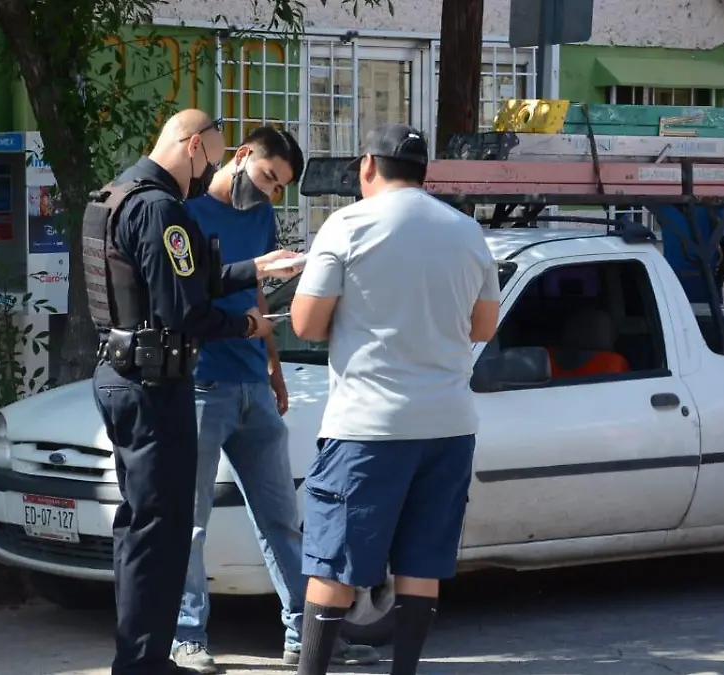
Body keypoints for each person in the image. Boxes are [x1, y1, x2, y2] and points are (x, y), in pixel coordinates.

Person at [82, 108, 305, 675]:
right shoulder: (164, 210)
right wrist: (244, 327)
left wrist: (253, 268)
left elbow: (183, 281)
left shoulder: (113, 196)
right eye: (213, 150)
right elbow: (186, 309)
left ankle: (144, 657)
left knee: (145, 525)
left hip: (123, 373)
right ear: (197, 146)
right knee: (164, 529)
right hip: (157, 384)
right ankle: (147, 660)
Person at [287, 123, 501, 675]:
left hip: (368, 426)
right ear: (423, 173)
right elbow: (483, 327)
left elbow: (306, 324)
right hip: (449, 425)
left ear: (367, 167)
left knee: (332, 563)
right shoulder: (466, 231)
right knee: (420, 560)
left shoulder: (347, 225)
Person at [170, 126, 380, 673]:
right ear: (241, 157)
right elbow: (185, 296)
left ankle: (304, 637)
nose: (268, 192)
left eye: (279, 186)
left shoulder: (258, 216)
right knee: (190, 522)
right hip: (199, 386)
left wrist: (274, 370)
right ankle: (186, 635)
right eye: (266, 177)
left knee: (282, 518)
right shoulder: (184, 212)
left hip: (251, 386)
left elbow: (258, 293)